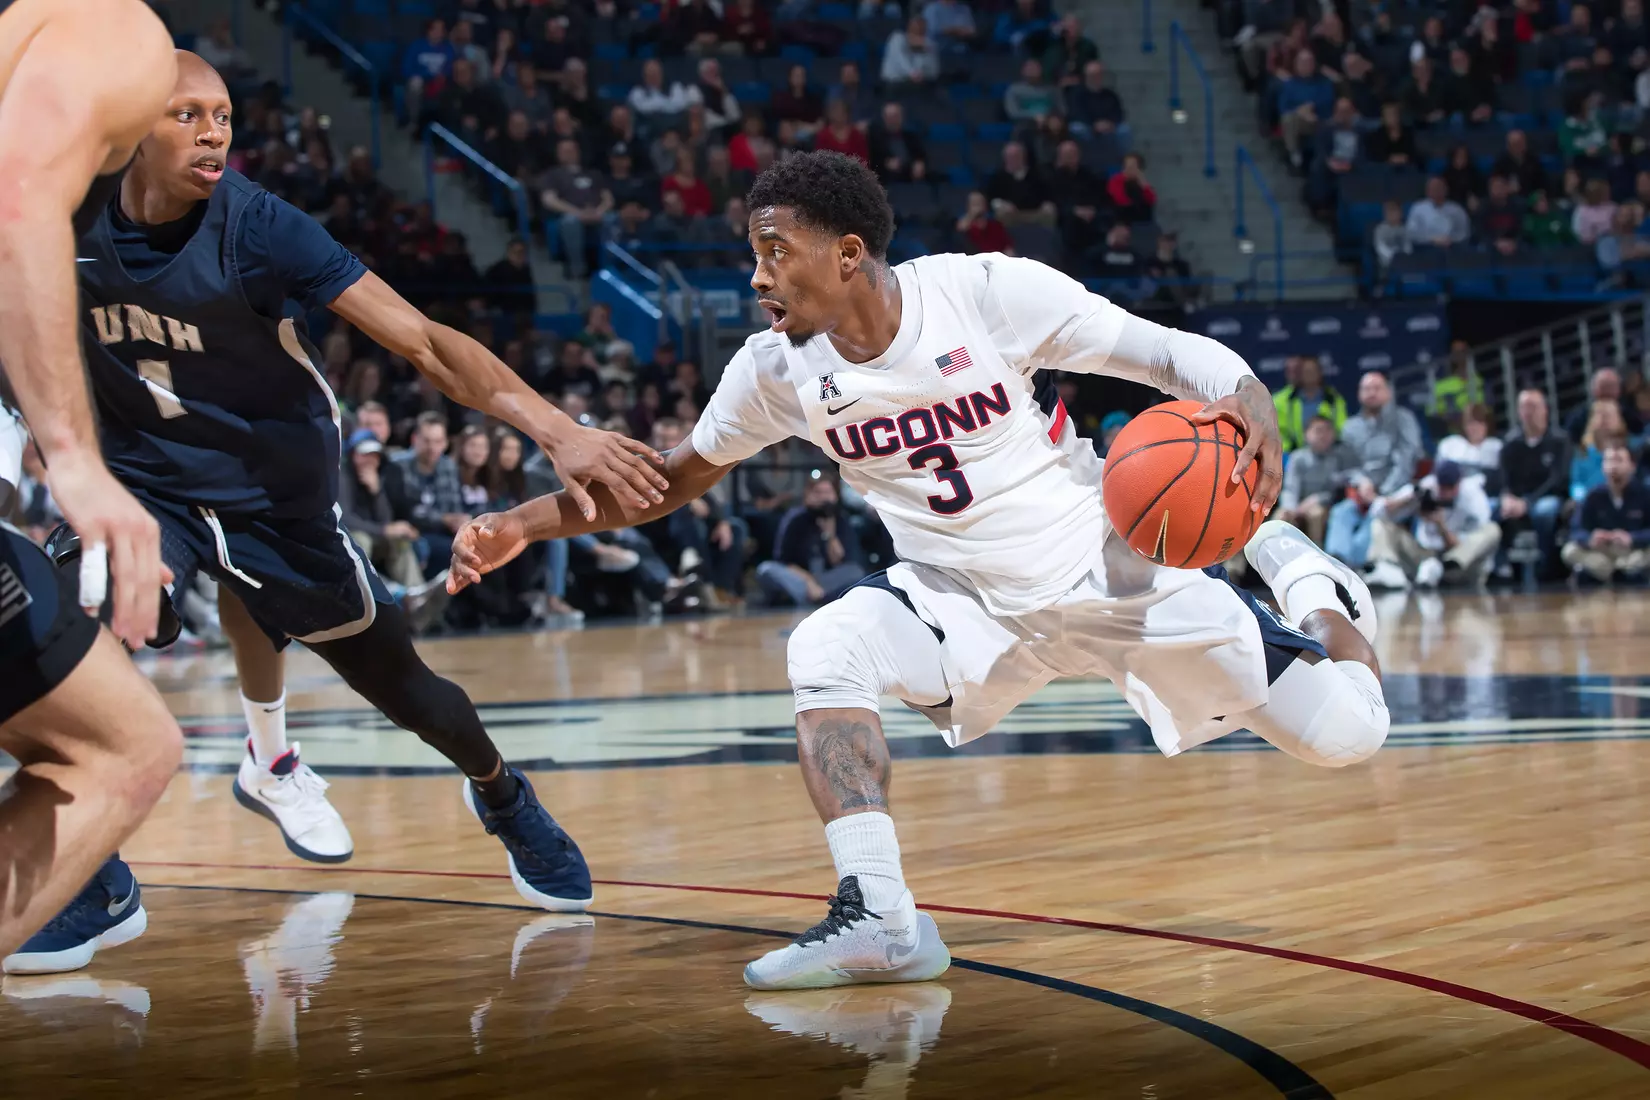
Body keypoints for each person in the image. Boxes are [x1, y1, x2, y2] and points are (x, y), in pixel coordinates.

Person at [447, 150, 1393, 991]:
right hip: (959, 598)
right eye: (755, 251)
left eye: (777, 251)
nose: (757, 274)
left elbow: (1163, 354)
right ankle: (883, 919)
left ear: (848, 253)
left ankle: (1306, 576)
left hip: (1109, 572)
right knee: (826, 645)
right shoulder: (774, 370)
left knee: (1348, 735)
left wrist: (1248, 396)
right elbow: (662, 485)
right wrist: (524, 525)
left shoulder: (984, 293)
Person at [53, 54, 669, 952]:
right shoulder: (66, 206)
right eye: (187, 115)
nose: (214, 132)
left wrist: (556, 429)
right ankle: (97, 872)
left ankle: (502, 791)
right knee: (73, 626)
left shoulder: (262, 229)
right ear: (129, 129)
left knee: (415, 695)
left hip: (277, 501)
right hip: (149, 488)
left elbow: (422, 340)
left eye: (223, 114)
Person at [0, 0, 186, 976]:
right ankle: (100, 883)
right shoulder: (110, 30)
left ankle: (99, 884)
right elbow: (20, 190)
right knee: (118, 748)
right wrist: (74, 454)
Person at [1362, 460, 1501, 589]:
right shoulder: (1427, 487)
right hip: (1425, 559)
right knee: (1381, 525)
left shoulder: (1473, 498)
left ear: (1459, 483)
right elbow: (1376, 512)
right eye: (1442, 486)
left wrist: (1441, 526)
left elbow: (1467, 546)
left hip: (1459, 565)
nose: (1445, 492)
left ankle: (1440, 568)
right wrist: (1407, 500)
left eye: (1450, 487)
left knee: (1493, 530)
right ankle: (1388, 569)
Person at [1498, 388, 1571, 576]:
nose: (1528, 412)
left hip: (1548, 496)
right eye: (1524, 407)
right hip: (1518, 498)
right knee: (1492, 508)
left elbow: (1558, 479)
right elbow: (1504, 478)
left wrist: (1528, 503)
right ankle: (1502, 568)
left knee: (1545, 511)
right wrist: (1507, 497)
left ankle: (1547, 566)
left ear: (1545, 409)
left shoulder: (1560, 440)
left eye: (1533, 406)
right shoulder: (1510, 442)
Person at [1562, 441, 1650, 583]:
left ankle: (1623, 572)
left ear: (1632, 466)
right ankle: (1612, 572)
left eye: (1619, 460)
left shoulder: (1645, 494)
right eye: (1608, 461)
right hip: (1602, 552)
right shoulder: (1593, 495)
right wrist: (1591, 538)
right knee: (1569, 550)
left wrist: (1632, 538)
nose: (1613, 466)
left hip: (1633, 551)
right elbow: (1576, 530)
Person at [1278, 415, 1355, 546]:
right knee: (1280, 518)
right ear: (1306, 434)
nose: (1323, 435)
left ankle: (1318, 556)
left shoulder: (1338, 458)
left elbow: (1337, 491)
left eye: (1328, 431)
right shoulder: (1298, 457)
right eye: (1318, 431)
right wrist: (1290, 508)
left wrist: (1316, 499)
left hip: (1325, 506)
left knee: (1316, 513)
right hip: (1297, 505)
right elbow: (1290, 488)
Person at [1272, 355, 1347, 453]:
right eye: (1306, 371)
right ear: (1299, 374)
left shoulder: (1334, 399)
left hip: (1330, 454)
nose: (1310, 375)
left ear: (1320, 373)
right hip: (1292, 455)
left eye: (1313, 371)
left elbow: (1341, 429)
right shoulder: (1281, 401)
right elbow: (1278, 434)